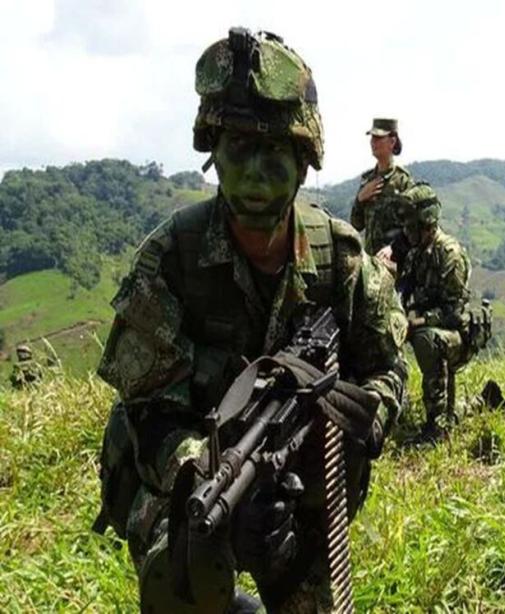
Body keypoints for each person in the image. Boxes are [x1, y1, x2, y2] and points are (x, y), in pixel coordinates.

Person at [94, 28, 407, 612]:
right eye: (238, 151)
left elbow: (390, 370)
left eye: (274, 155)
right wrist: (214, 485)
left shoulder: (340, 259)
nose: (255, 176)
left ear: (303, 162)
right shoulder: (170, 261)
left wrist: (348, 426)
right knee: (183, 581)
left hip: (304, 491)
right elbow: (150, 414)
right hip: (185, 486)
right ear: (214, 155)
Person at [395, 183, 475, 442]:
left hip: (457, 336)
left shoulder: (449, 253)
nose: (406, 231)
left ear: (425, 223)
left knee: (427, 340)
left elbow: (453, 313)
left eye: (410, 226)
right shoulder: (415, 254)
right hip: (426, 325)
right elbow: (406, 293)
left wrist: (416, 322)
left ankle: (437, 425)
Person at [350, 118, 414, 266]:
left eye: (378, 138)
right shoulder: (367, 180)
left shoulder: (403, 181)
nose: (373, 142)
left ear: (392, 142)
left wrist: (394, 248)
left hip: (394, 264)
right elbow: (356, 224)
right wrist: (360, 199)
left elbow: (413, 227)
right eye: (372, 138)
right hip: (370, 264)